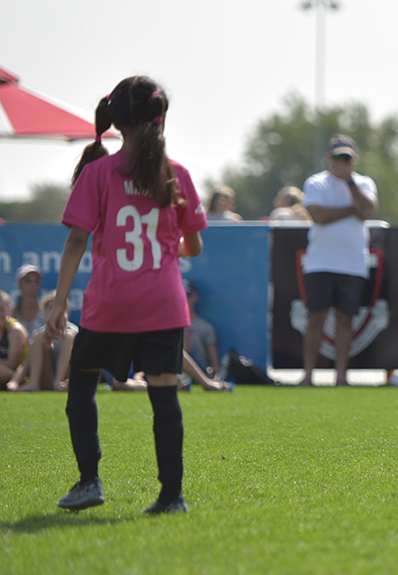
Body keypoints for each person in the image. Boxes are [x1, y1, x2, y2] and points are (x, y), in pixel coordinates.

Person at [47, 76, 207, 514]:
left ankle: (89, 482)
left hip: (111, 303)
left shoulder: (98, 172)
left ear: (116, 120)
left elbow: (77, 240)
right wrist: (164, 250)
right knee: (164, 398)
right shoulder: (179, 175)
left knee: (81, 384)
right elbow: (192, 246)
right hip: (164, 303)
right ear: (160, 119)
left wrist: (59, 303)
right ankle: (171, 497)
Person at [299, 134, 378, 387]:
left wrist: (351, 185)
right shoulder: (316, 182)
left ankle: (341, 376)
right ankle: (308, 375)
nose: (342, 161)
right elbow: (318, 215)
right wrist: (351, 210)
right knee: (316, 318)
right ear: (328, 157)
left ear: (354, 159)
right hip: (320, 262)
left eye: (347, 157)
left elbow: (367, 210)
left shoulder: (364, 183)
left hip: (353, 263)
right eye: (337, 156)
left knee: (346, 319)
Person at [9, 291, 76, 392]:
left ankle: (59, 382)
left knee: (68, 336)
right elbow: (26, 363)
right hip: (47, 378)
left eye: (62, 308)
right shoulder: (40, 334)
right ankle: (34, 384)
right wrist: (14, 382)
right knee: (38, 336)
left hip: (69, 379)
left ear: (67, 311)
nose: (56, 311)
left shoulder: (75, 332)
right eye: (51, 308)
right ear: (44, 312)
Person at [0, 290, 30, 390]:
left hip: (20, 376)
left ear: (9, 310)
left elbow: (13, 363)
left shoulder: (15, 330)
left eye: (1, 310)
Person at [13, 264, 46, 334]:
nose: (33, 284)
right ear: (19, 284)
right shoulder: (11, 314)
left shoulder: (46, 312)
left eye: (37, 281)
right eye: (28, 280)